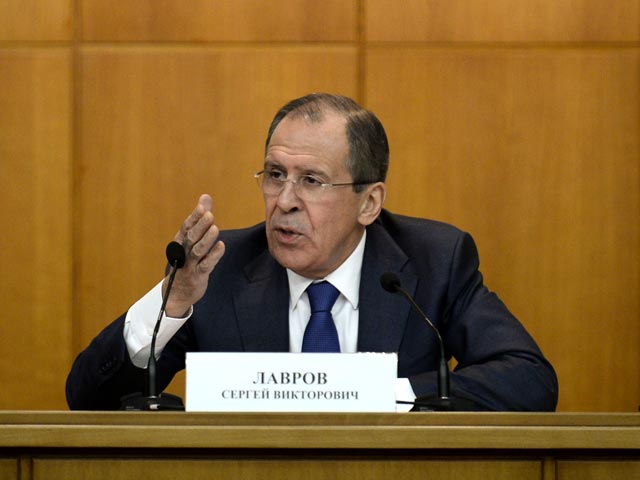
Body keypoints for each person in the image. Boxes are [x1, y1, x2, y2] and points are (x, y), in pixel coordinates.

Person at [66, 93, 558, 411]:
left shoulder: (434, 259)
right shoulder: (220, 268)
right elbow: (88, 397)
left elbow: (530, 379)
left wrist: (384, 395)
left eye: (312, 181)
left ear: (369, 202)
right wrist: (174, 302)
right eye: (275, 175)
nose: (284, 201)